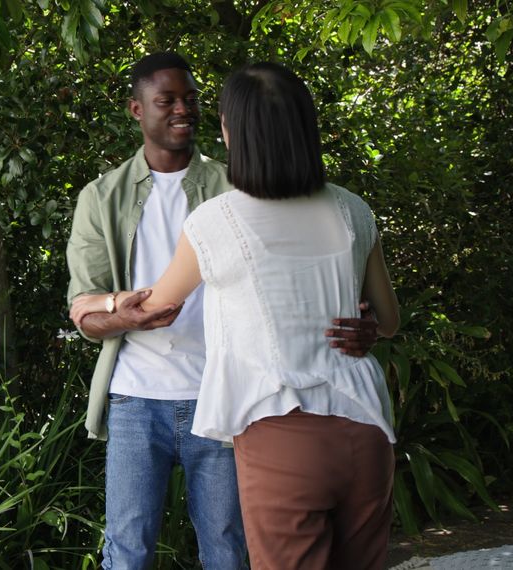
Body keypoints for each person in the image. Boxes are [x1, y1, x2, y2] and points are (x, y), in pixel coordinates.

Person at [65, 53, 380, 569]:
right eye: (166, 100)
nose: (182, 110)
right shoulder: (101, 198)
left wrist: (356, 316)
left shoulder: (237, 188)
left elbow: (296, 270)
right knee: (125, 551)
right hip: (135, 401)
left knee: (229, 551)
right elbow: (83, 309)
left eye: (190, 98)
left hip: (226, 397)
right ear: (136, 109)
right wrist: (124, 315)